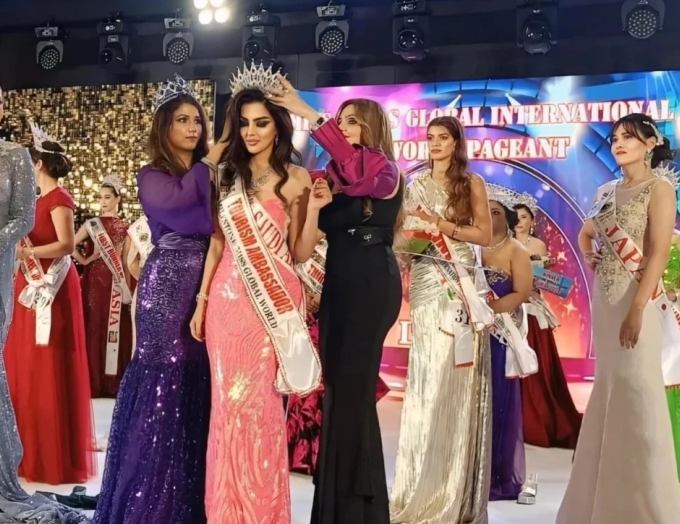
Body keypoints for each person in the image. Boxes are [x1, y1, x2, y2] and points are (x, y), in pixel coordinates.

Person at [189, 66, 322, 524]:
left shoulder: (297, 178)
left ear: (278, 126)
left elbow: (300, 251)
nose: (251, 132)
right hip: (226, 303)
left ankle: (261, 512)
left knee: (260, 407)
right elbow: (217, 243)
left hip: (271, 305)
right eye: (244, 123)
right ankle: (225, 510)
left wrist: (314, 211)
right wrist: (202, 300)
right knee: (225, 407)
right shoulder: (227, 176)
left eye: (261, 123)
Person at [267, 80, 403, 524]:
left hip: (371, 283)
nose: (341, 128)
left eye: (350, 121)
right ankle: (336, 505)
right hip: (339, 285)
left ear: (371, 127)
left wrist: (305, 110)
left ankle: (361, 507)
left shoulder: (384, 172)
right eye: (338, 121)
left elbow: (353, 164)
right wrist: (313, 206)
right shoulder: (336, 180)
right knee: (338, 394)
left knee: (355, 394)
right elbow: (305, 245)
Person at [93, 74, 225, 524]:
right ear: (164, 126)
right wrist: (210, 162)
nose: (192, 127)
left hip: (207, 284)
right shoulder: (151, 176)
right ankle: (147, 501)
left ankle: (185, 501)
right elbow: (185, 212)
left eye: (197, 120)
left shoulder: (211, 174)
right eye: (182, 120)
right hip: (166, 286)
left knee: (193, 382)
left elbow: (217, 226)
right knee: (161, 385)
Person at [557, 113, 680, 523]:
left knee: (638, 389)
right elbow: (587, 230)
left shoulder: (659, 189)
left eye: (629, 137)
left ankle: (645, 507)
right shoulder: (606, 191)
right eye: (614, 138)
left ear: (650, 144)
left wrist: (638, 309)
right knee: (609, 389)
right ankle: (600, 503)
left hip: (637, 300)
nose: (618, 144)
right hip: (606, 303)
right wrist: (587, 251)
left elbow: (658, 253)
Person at [390, 116, 493, 524]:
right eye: (430, 137)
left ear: (456, 143)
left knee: (455, 376)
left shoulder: (471, 184)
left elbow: (484, 235)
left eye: (443, 138)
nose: (435, 144)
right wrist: (408, 244)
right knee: (425, 381)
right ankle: (419, 486)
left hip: (458, 282)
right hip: (424, 281)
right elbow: (402, 238)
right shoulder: (413, 185)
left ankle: (451, 490)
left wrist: (442, 226)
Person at [0, 88, 88, 523]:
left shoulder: (54, 194)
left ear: (38, 162)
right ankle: (30, 448)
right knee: (24, 364)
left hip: (48, 285)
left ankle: (46, 455)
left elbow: (60, 241)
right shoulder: (38, 194)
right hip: (28, 282)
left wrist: (24, 251)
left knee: (45, 364)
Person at [286, 238, 391, 476]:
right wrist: (301, 293)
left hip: (337, 313)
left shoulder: (349, 231)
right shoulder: (305, 224)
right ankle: (303, 453)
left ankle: (326, 454)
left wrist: (328, 296)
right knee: (305, 378)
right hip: (302, 310)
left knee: (329, 381)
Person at [513, 203, 582, 449]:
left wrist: (535, 274)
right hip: (510, 307)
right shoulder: (504, 243)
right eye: (516, 217)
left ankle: (539, 415)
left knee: (537, 362)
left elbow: (541, 279)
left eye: (524, 217)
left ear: (532, 221)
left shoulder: (538, 245)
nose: (519, 221)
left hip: (531, 307)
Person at [481, 187, 534, 501]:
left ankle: (497, 473)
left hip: (499, 337)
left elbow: (521, 292)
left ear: (509, 218)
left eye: (497, 212)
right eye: (486, 211)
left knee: (498, 404)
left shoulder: (516, 250)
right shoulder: (472, 248)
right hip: (472, 334)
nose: (490, 217)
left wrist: (489, 311)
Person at [73, 174, 133, 398]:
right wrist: (85, 259)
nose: (103, 202)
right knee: (95, 324)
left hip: (116, 283)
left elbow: (125, 261)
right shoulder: (92, 225)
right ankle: (94, 382)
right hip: (94, 283)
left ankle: (113, 382)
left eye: (107, 197)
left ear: (118, 198)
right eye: (100, 198)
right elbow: (70, 244)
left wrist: (128, 288)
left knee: (114, 326)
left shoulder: (126, 227)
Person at [662, 227, 680, 481]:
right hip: (644, 316)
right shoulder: (631, 237)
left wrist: (674, 294)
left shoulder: (677, 240)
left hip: (672, 315)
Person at [124, 215, 153, 352]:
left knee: (142, 344)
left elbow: (131, 263)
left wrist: (146, 280)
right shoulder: (184, 218)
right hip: (181, 290)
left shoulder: (140, 225)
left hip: (146, 289)